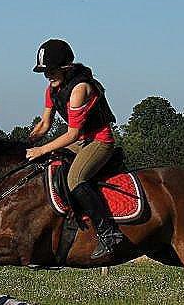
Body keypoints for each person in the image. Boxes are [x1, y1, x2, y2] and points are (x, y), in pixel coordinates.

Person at [25, 38, 123, 259]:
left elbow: (72, 134)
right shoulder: (51, 90)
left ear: (66, 68)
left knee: (75, 179)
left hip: (99, 141)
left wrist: (41, 150)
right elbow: (44, 124)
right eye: (44, 71)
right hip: (79, 142)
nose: (48, 75)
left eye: (51, 70)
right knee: (48, 166)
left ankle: (109, 233)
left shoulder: (80, 89)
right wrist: (27, 144)